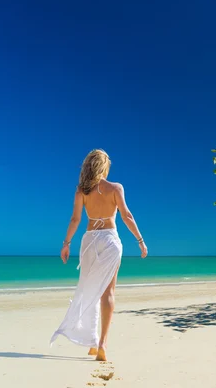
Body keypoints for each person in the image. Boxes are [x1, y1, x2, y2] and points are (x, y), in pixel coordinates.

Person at [50, 149, 147, 361]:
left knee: (89, 290)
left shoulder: (81, 191)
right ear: (104, 166)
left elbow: (75, 220)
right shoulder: (115, 188)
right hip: (110, 241)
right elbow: (126, 215)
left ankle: (93, 342)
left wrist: (66, 244)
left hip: (89, 241)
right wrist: (140, 240)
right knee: (108, 292)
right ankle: (101, 343)